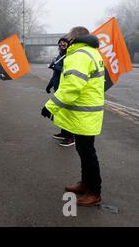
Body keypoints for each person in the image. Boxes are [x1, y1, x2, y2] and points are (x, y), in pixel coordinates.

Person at [41, 26, 105, 207]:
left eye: (68, 35)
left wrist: (50, 106)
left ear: (75, 37)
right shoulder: (90, 52)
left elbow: (71, 87)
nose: (66, 38)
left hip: (84, 113)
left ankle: (94, 192)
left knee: (88, 153)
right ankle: (86, 183)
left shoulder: (80, 55)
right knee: (84, 151)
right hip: (86, 113)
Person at [46, 38, 75, 147]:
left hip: (65, 89)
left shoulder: (70, 56)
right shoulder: (59, 56)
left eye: (64, 45)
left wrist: (55, 66)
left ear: (68, 45)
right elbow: (56, 74)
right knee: (61, 113)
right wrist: (50, 85)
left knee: (67, 113)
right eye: (60, 45)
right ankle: (64, 133)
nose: (62, 46)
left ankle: (70, 137)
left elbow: (66, 71)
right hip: (58, 88)